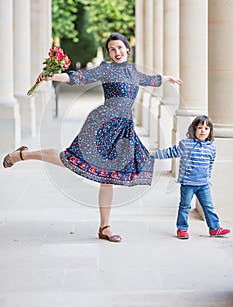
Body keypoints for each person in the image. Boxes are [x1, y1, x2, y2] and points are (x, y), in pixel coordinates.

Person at [3, 32, 182, 242]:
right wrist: (52, 76)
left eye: (120, 48)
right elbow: (79, 77)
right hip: (101, 125)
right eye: (112, 49)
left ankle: (105, 227)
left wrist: (167, 78)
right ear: (108, 53)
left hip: (123, 129)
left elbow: (152, 79)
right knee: (67, 160)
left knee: (108, 180)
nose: (117, 52)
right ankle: (23, 155)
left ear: (127, 49)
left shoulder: (134, 72)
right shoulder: (106, 69)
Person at [152, 115, 231, 239]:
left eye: (206, 128)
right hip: (188, 183)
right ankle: (182, 229)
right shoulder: (186, 144)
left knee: (209, 207)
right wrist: (154, 155)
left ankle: (214, 228)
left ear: (210, 131)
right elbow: (171, 152)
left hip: (203, 184)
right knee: (185, 206)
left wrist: (207, 178)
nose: (202, 131)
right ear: (194, 129)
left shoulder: (211, 147)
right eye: (199, 127)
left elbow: (210, 165)